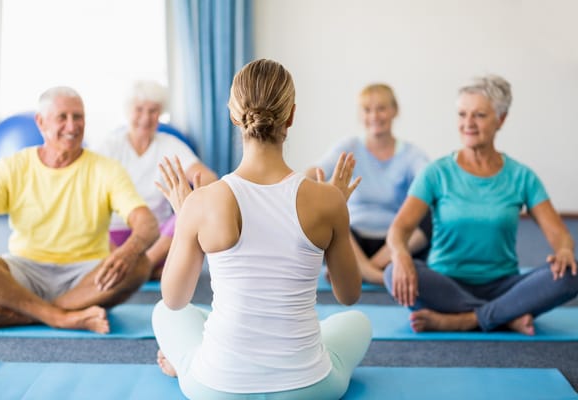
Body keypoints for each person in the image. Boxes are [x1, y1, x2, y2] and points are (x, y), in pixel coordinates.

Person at [152, 59, 372, 399]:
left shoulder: (202, 202)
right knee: (358, 322)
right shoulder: (328, 201)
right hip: (309, 389)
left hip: (216, 388)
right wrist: (336, 210)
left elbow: (174, 299)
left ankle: (184, 362)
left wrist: (186, 219)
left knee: (162, 313)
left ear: (232, 114)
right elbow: (348, 296)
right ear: (292, 116)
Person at [385, 75, 578, 335]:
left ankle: (465, 320)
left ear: (501, 119)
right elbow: (399, 230)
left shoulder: (522, 176)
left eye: (479, 115)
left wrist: (564, 250)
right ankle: (505, 316)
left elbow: (559, 234)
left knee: (570, 274)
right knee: (391, 272)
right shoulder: (436, 173)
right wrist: (401, 256)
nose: (468, 124)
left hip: (504, 284)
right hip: (444, 284)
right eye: (462, 114)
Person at [0, 86, 158, 333]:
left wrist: (127, 252)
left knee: (139, 264)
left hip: (87, 276)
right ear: (41, 122)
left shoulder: (106, 169)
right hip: (25, 271)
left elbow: (147, 223)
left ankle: (30, 313)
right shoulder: (12, 166)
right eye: (62, 117)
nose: (72, 126)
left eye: (78, 117)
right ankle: (60, 317)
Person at [307, 83, 431, 285]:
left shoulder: (411, 154)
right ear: (361, 115)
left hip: (394, 242)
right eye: (367, 110)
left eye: (381, 108)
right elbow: (315, 172)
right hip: (352, 239)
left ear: (394, 111)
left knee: (432, 214)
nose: (374, 116)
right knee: (325, 213)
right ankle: (379, 277)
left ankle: (364, 269)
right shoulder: (349, 146)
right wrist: (304, 185)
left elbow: (430, 181)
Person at [94, 80, 217, 279]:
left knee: (188, 211)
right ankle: (146, 270)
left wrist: (195, 196)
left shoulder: (170, 145)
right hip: (115, 236)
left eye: (153, 111)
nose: (145, 118)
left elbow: (208, 177)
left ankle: (142, 267)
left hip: (158, 238)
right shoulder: (110, 145)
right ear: (128, 111)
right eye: (139, 110)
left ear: (160, 115)